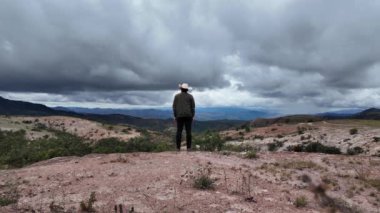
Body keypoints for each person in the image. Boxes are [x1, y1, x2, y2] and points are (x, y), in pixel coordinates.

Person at [172, 83, 195, 151]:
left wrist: (175, 116)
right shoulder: (190, 96)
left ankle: (178, 148)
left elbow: (174, 107)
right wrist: (192, 116)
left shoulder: (176, 96)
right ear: (187, 89)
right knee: (189, 132)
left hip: (179, 116)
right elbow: (193, 107)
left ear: (181, 89)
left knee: (179, 131)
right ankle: (189, 148)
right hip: (188, 116)